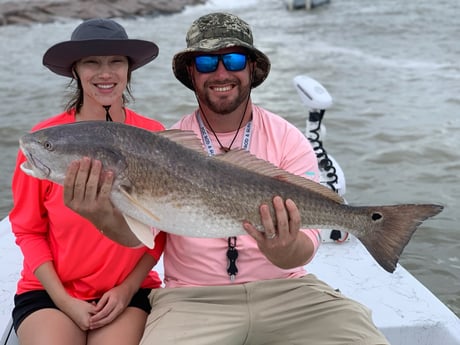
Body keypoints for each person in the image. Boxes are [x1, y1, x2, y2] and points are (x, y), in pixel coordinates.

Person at [64, 13, 390, 345]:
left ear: (251, 68)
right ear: (191, 73)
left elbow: (305, 249)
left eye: (233, 59)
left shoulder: (288, 139)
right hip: (192, 300)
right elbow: (141, 236)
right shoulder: (163, 145)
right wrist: (100, 216)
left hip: (289, 291)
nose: (221, 73)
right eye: (206, 62)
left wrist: (284, 248)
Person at [9, 18, 166, 345]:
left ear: (128, 70)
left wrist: (126, 290)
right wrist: (65, 301)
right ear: (75, 71)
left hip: (128, 290)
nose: (105, 73)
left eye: (116, 62)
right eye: (91, 62)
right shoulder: (44, 144)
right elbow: (28, 230)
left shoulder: (154, 136)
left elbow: (162, 229)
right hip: (50, 293)